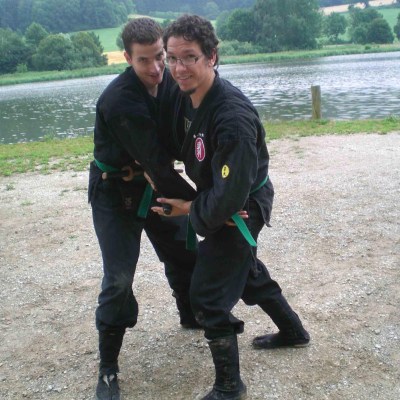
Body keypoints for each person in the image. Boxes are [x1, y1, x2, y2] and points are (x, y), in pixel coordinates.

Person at [150, 15, 310, 400]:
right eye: (172, 58)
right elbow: (177, 145)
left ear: (212, 56)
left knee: (207, 294)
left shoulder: (232, 118)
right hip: (223, 199)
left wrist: (191, 209)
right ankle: (293, 331)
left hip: (243, 205)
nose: (178, 68)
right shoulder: (186, 96)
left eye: (189, 57)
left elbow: (229, 198)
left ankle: (229, 386)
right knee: (243, 269)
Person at [88, 18, 200, 400]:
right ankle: (108, 368)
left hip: (153, 186)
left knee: (185, 252)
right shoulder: (118, 100)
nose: (155, 69)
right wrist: (207, 205)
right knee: (119, 279)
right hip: (114, 193)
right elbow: (157, 162)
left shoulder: (169, 81)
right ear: (126, 58)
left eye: (160, 57)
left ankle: (191, 315)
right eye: (144, 61)